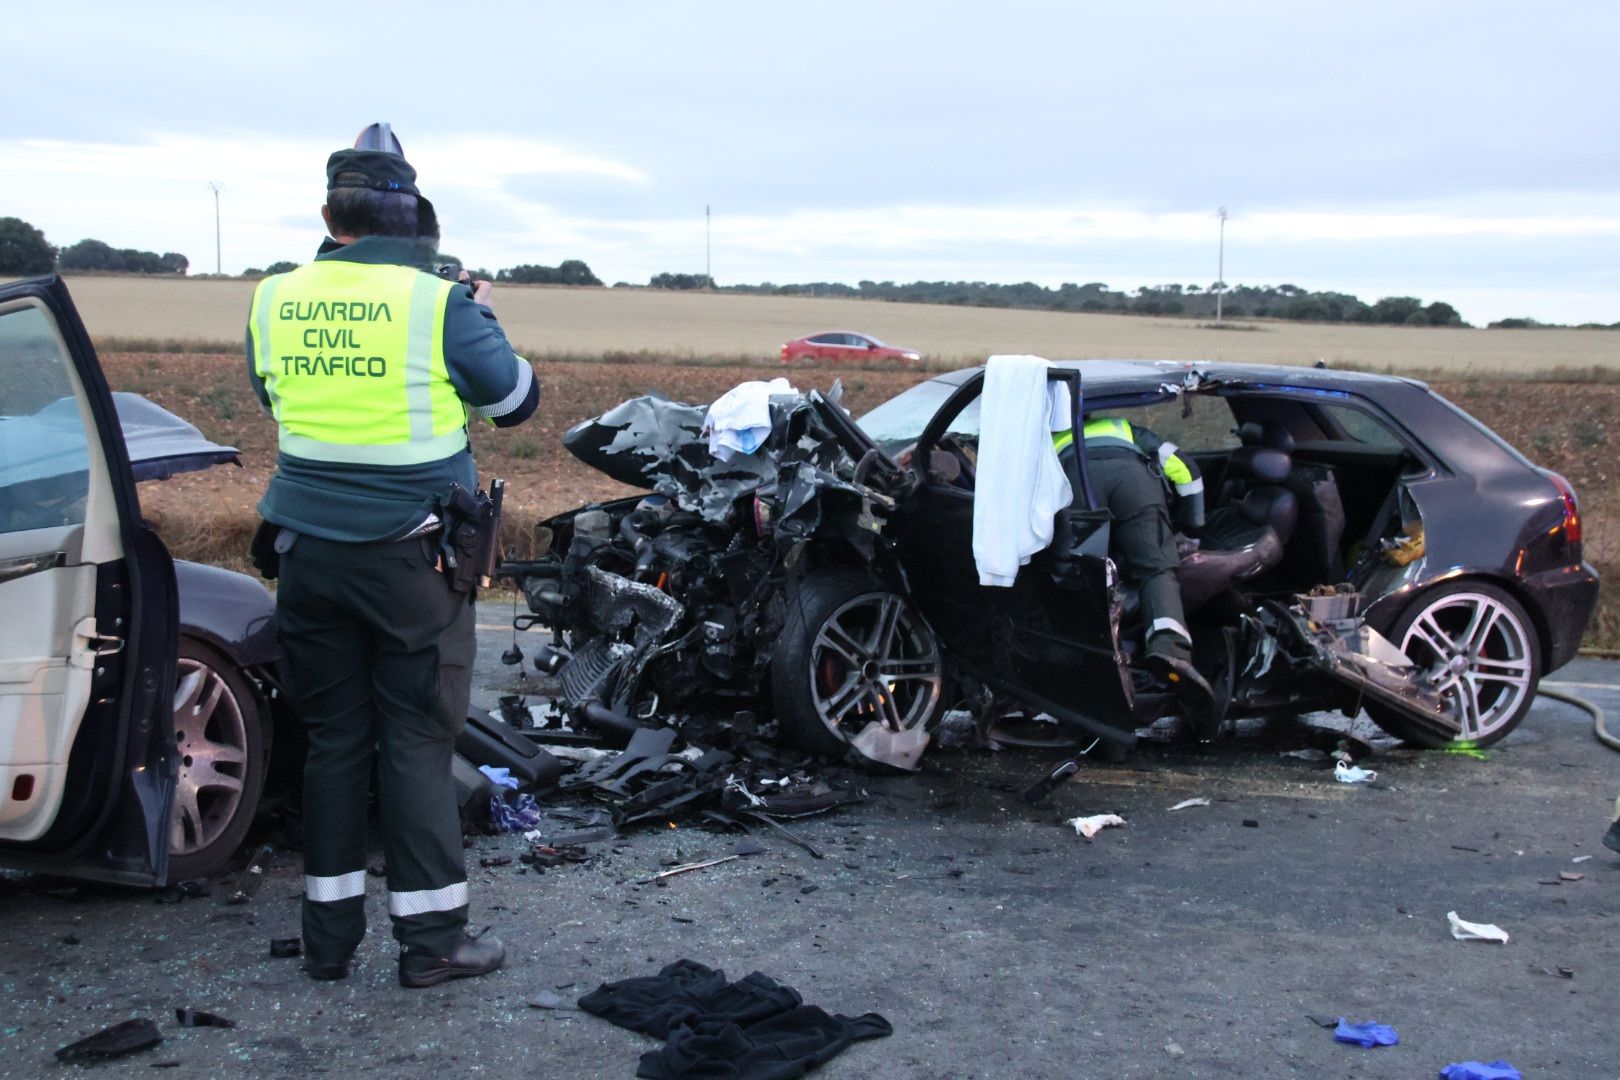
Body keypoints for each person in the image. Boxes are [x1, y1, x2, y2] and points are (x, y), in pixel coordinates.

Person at [245, 124, 539, 988]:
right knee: (414, 739)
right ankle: (435, 943)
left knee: (335, 740)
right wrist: (475, 310)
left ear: (330, 216)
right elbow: (516, 402)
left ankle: (328, 945)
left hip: (306, 554)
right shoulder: (438, 302)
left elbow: (273, 394)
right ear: (410, 219)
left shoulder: (272, 297)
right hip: (412, 562)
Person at [1056, 417, 1214, 718]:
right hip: (1134, 481)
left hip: (1077, 480)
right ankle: (1170, 648)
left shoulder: (1049, 437)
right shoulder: (1125, 428)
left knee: (1082, 578)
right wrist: (1192, 529)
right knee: (1156, 570)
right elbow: (1186, 468)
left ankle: (1094, 663)